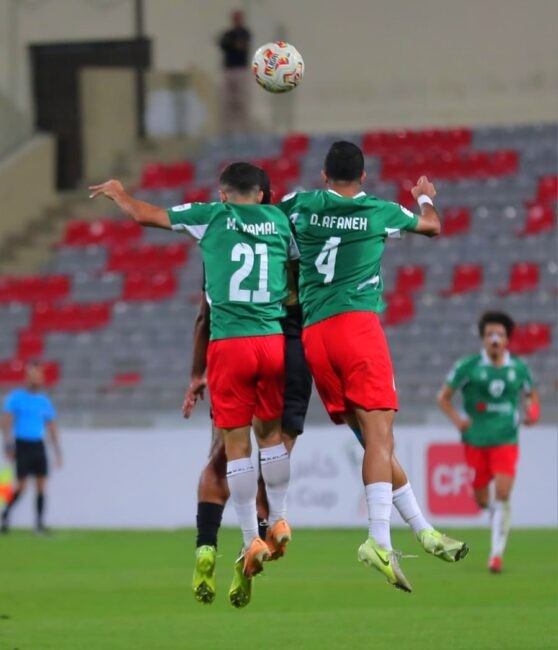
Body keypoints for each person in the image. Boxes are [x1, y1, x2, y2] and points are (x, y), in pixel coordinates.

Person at [89, 163, 298, 587]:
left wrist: (119, 193)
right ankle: (277, 519)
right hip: (272, 341)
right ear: (261, 194)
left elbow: (146, 215)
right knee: (271, 437)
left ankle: (250, 539)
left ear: (223, 194)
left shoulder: (211, 215)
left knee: (235, 448)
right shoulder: (280, 221)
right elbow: (295, 275)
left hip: (231, 344)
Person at [276, 140, 468, 593]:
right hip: (357, 328)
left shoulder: (298, 204)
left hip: (315, 335)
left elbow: (267, 222)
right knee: (381, 437)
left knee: (373, 441)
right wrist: (425, 197)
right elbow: (432, 226)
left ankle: (424, 531)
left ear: (324, 175)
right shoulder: (378, 211)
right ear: (363, 177)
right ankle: (378, 541)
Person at [183, 171, 312, 608]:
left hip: (238, 345)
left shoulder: (223, 240)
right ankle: (254, 548)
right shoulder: (295, 234)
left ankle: (207, 546)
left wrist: (196, 374)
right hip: (292, 352)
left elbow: (205, 316)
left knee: (223, 456)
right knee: (271, 457)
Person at [437, 311, 539, 573]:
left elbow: (531, 394)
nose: (495, 339)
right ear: (483, 338)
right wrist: (458, 420)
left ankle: (496, 555)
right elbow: (443, 397)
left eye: (500, 334)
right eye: (490, 334)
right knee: (482, 500)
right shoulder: (468, 367)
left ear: (507, 339)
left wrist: (533, 412)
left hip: (506, 439)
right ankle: (496, 516)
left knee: (503, 492)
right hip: (475, 440)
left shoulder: (519, 368)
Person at [1, 360, 62, 534]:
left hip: (38, 444)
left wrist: (57, 451)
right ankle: (5, 514)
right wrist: (8, 444)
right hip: (22, 444)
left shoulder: (44, 401)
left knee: (42, 485)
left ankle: (39, 523)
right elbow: (6, 421)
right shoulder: (16, 398)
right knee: (22, 486)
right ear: (26, 378)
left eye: (38, 376)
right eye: (32, 376)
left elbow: (51, 426)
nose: (35, 379)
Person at [217, 10, 252, 133]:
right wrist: (232, 44)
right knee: (228, 100)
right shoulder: (228, 34)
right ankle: (228, 128)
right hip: (229, 69)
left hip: (240, 70)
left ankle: (245, 127)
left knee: (241, 99)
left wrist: (232, 44)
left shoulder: (245, 33)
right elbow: (223, 44)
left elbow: (241, 45)